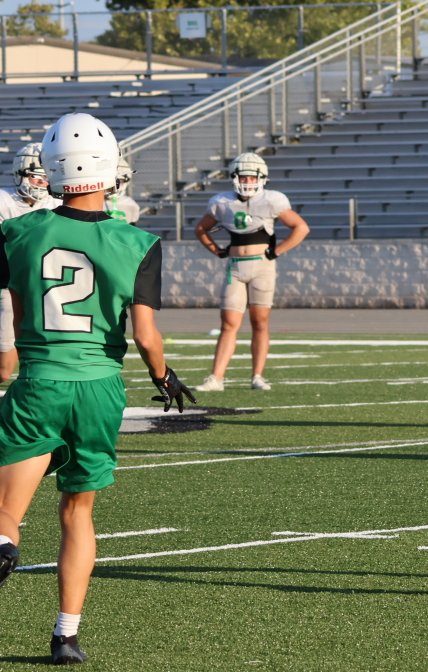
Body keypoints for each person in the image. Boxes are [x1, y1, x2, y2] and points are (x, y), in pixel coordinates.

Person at [0, 112, 195, 664]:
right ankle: (66, 636)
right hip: (100, 388)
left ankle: (5, 545)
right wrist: (164, 377)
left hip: (39, 380)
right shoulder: (136, 241)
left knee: (6, 509)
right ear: (109, 170)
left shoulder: (17, 232)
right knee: (76, 512)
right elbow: (147, 334)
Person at [193, 153, 310, 392]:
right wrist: (216, 250)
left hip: (262, 266)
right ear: (234, 177)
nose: (247, 182)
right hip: (235, 266)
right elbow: (200, 229)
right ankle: (216, 378)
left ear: (261, 177)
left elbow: (301, 227)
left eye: (251, 177)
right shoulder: (222, 202)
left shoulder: (272, 200)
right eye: (242, 177)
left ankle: (257, 376)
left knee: (260, 322)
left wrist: (278, 251)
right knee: (228, 323)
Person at [0, 143, 61, 382]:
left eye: (46, 178)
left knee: (41, 360)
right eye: (36, 177)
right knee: (4, 371)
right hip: (9, 286)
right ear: (21, 173)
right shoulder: (4, 200)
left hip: (45, 288)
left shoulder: (56, 204)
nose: (42, 184)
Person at [105, 157, 141, 226]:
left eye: (119, 182)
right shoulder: (94, 202)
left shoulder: (131, 205)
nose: (114, 188)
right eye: (111, 183)